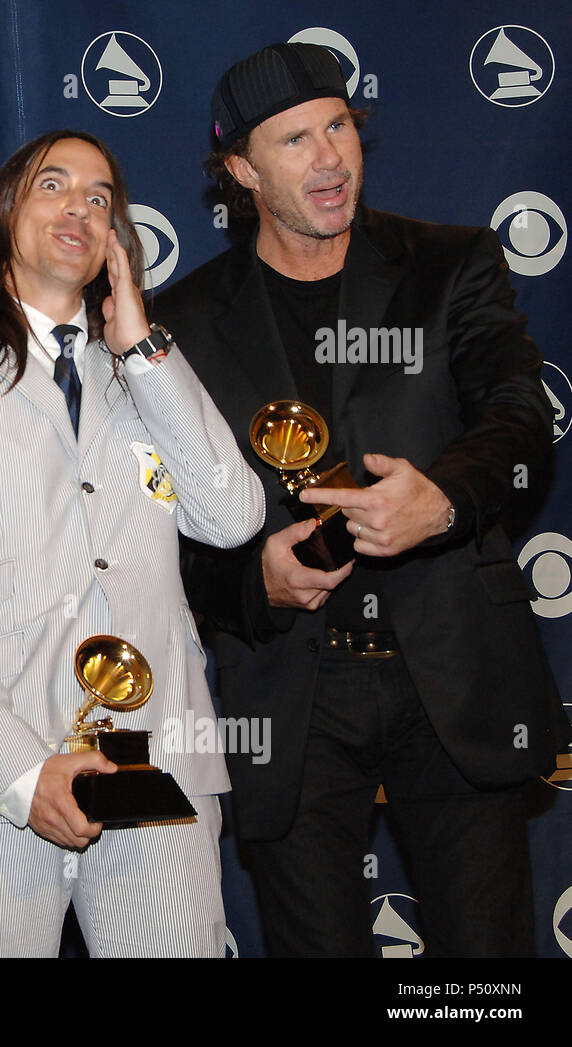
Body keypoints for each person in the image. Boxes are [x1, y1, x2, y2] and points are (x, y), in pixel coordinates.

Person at [159, 42, 569, 956]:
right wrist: (247, 582)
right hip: (294, 693)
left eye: (339, 126)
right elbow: (153, 527)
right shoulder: (179, 323)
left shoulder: (449, 264)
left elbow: (518, 426)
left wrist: (447, 501)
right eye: (295, 139)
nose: (330, 157)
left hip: (454, 670)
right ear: (241, 171)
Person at [0, 130, 264, 957]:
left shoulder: (148, 377)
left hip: (156, 764)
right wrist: (20, 771)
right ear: (6, 214)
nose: (80, 206)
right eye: (54, 185)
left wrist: (144, 349)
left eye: (101, 196)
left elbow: (232, 516)